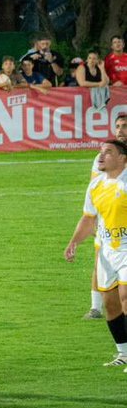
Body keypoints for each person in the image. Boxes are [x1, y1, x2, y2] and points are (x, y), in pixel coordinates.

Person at [83, 115, 127, 321]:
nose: (120, 130)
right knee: (101, 258)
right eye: (118, 126)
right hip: (108, 218)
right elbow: (97, 185)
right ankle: (95, 307)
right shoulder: (105, 155)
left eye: (125, 126)